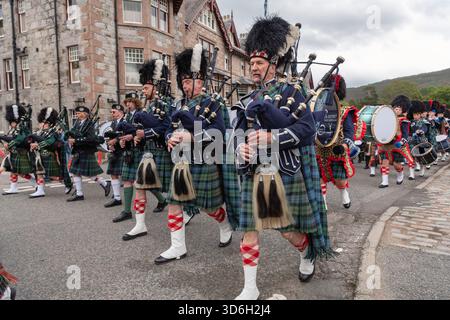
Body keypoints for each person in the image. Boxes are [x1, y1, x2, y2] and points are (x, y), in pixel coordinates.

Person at [233, 16, 332, 300]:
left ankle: (307, 252)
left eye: (259, 63)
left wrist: (271, 138)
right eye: (250, 63)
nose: (253, 67)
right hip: (254, 172)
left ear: (273, 65)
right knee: (249, 229)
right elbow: (237, 133)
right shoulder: (247, 99)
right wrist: (241, 148)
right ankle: (250, 289)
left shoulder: (292, 91)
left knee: (288, 232)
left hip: (284, 171)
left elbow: (307, 129)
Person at [154, 44, 234, 264]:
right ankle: (177, 247)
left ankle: (224, 222)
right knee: (174, 201)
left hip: (204, 160)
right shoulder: (179, 104)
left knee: (209, 206)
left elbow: (219, 132)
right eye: (184, 81)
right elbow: (169, 126)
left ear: (201, 81)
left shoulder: (214, 103)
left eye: (190, 81)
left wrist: (192, 136)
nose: (185, 85)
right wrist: (169, 136)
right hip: (181, 162)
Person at [120, 59, 173, 241]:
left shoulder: (166, 103)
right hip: (149, 152)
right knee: (139, 185)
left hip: (164, 153)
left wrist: (146, 132)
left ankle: (189, 214)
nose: (143, 91)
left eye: (146, 87)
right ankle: (140, 225)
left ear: (156, 85)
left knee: (177, 193)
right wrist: (136, 133)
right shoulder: (151, 105)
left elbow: (166, 128)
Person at [316, 75, 360, 209]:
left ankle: (344, 192)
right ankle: (322, 202)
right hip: (319, 148)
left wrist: (345, 145)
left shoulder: (345, 111)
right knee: (320, 178)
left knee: (340, 181)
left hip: (337, 150)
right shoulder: (317, 110)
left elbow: (349, 131)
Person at [66, 105, 111, 201]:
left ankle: (105, 183)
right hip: (78, 150)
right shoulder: (77, 123)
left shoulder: (90, 124)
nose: (77, 115)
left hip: (86, 151)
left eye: (79, 113)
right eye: (76, 113)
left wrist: (76, 140)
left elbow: (91, 139)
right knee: (75, 172)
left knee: (90, 175)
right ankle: (79, 194)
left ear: (85, 114)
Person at [112, 93, 143, 223]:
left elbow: (144, 130)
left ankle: (162, 200)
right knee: (127, 180)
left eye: (130, 101)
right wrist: (122, 140)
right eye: (127, 102)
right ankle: (126, 211)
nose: (128, 104)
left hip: (140, 150)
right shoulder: (127, 116)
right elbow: (125, 132)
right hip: (129, 151)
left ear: (136, 102)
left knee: (142, 183)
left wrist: (133, 135)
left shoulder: (141, 114)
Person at [378, 95, 414, 188]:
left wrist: (401, 142)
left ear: (403, 110)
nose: (396, 110)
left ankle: (400, 172)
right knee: (384, 163)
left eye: (399, 109)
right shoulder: (387, 119)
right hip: (385, 145)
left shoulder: (404, 121)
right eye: (395, 108)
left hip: (396, 146)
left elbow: (405, 134)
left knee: (396, 165)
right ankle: (384, 182)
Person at [28, 107, 65, 198]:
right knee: (39, 173)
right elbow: (35, 140)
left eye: (42, 123)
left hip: (49, 156)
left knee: (54, 176)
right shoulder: (40, 132)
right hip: (40, 156)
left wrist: (38, 145)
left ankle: (67, 182)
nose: (41, 124)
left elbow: (50, 142)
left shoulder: (52, 133)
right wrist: (33, 144)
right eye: (40, 122)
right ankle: (40, 190)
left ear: (48, 124)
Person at [2, 104, 36, 195]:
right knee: (13, 171)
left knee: (21, 173)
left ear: (16, 121)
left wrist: (9, 144)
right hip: (13, 153)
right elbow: (9, 137)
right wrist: (5, 143)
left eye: (12, 122)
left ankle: (36, 183)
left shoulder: (23, 128)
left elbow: (20, 139)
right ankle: (13, 188)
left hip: (21, 152)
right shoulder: (12, 130)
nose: (11, 124)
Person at [104, 104, 126, 208]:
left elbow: (128, 134)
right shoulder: (113, 123)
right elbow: (110, 136)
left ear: (120, 111)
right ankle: (117, 198)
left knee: (130, 178)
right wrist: (110, 145)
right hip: (115, 152)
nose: (112, 114)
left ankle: (159, 198)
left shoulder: (125, 121)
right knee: (113, 174)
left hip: (125, 151)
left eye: (114, 112)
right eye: (111, 112)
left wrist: (115, 140)